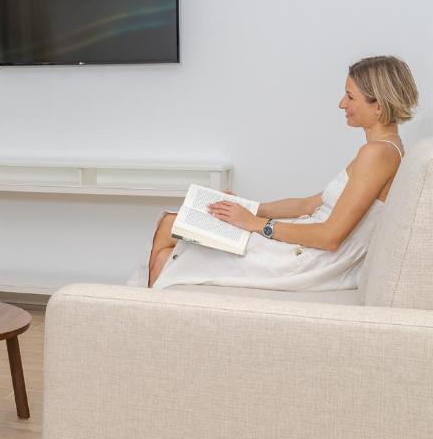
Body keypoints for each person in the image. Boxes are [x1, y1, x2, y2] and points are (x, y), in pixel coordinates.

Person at [146, 55, 419, 290]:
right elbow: (309, 204)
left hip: (308, 259)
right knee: (170, 227)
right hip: (305, 247)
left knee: (169, 234)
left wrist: (256, 224)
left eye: (350, 96)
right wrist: (248, 208)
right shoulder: (385, 149)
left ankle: (143, 323)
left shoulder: (378, 154)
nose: (341, 104)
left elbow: (330, 237)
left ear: (378, 106)